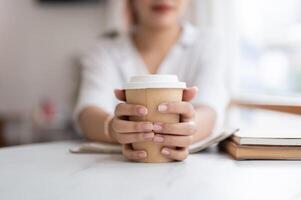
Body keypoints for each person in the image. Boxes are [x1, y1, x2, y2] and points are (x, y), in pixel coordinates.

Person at [74, 0, 228, 162]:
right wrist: (113, 129)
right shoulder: (103, 50)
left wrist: (189, 129)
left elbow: (210, 108)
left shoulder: (208, 43)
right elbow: (87, 112)